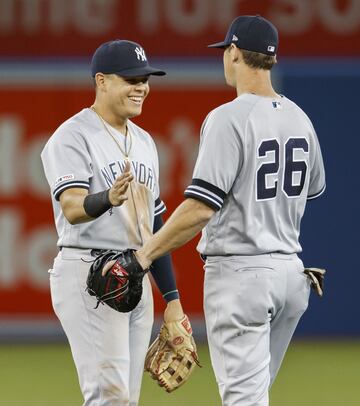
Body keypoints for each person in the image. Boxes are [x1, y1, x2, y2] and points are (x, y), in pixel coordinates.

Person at [135, 15, 326, 406]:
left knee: (244, 401)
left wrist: (144, 254)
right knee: (254, 396)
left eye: (226, 51)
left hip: (242, 278)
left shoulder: (228, 118)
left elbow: (201, 208)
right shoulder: (301, 119)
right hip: (291, 275)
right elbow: (313, 191)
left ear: (235, 52)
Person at [41, 39, 185, 405]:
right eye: (131, 79)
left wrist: (172, 299)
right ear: (101, 81)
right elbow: (72, 207)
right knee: (110, 397)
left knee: (127, 399)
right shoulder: (72, 136)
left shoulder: (145, 142)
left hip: (136, 268)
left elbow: (154, 223)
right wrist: (107, 197)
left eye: (145, 79)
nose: (141, 87)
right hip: (89, 271)